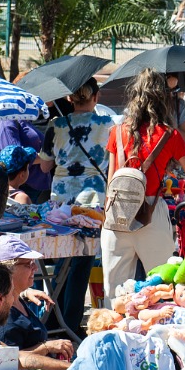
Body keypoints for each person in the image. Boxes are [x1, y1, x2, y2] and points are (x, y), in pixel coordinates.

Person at [104, 68, 185, 293]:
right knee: (162, 288)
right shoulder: (169, 135)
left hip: (116, 215)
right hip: (151, 214)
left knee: (116, 292)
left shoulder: (117, 131)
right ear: (163, 99)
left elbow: (111, 180)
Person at [46, 79, 117, 336]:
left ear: (69, 98)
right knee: (81, 265)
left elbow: (44, 164)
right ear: (96, 96)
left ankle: (54, 321)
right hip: (93, 202)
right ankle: (71, 325)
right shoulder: (109, 125)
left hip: (61, 202)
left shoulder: (56, 126)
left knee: (62, 261)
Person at [0, 234, 74, 359]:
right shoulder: (4, 317)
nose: (35, 268)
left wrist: (24, 293)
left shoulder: (13, 299)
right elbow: (9, 359)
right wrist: (47, 347)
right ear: (8, 270)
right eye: (28, 264)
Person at [0, 114, 49, 203]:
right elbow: (12, 156)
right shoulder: (7, 121)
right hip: (27, 186)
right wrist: (50, 156)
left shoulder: (22, 119)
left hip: (32, 185)